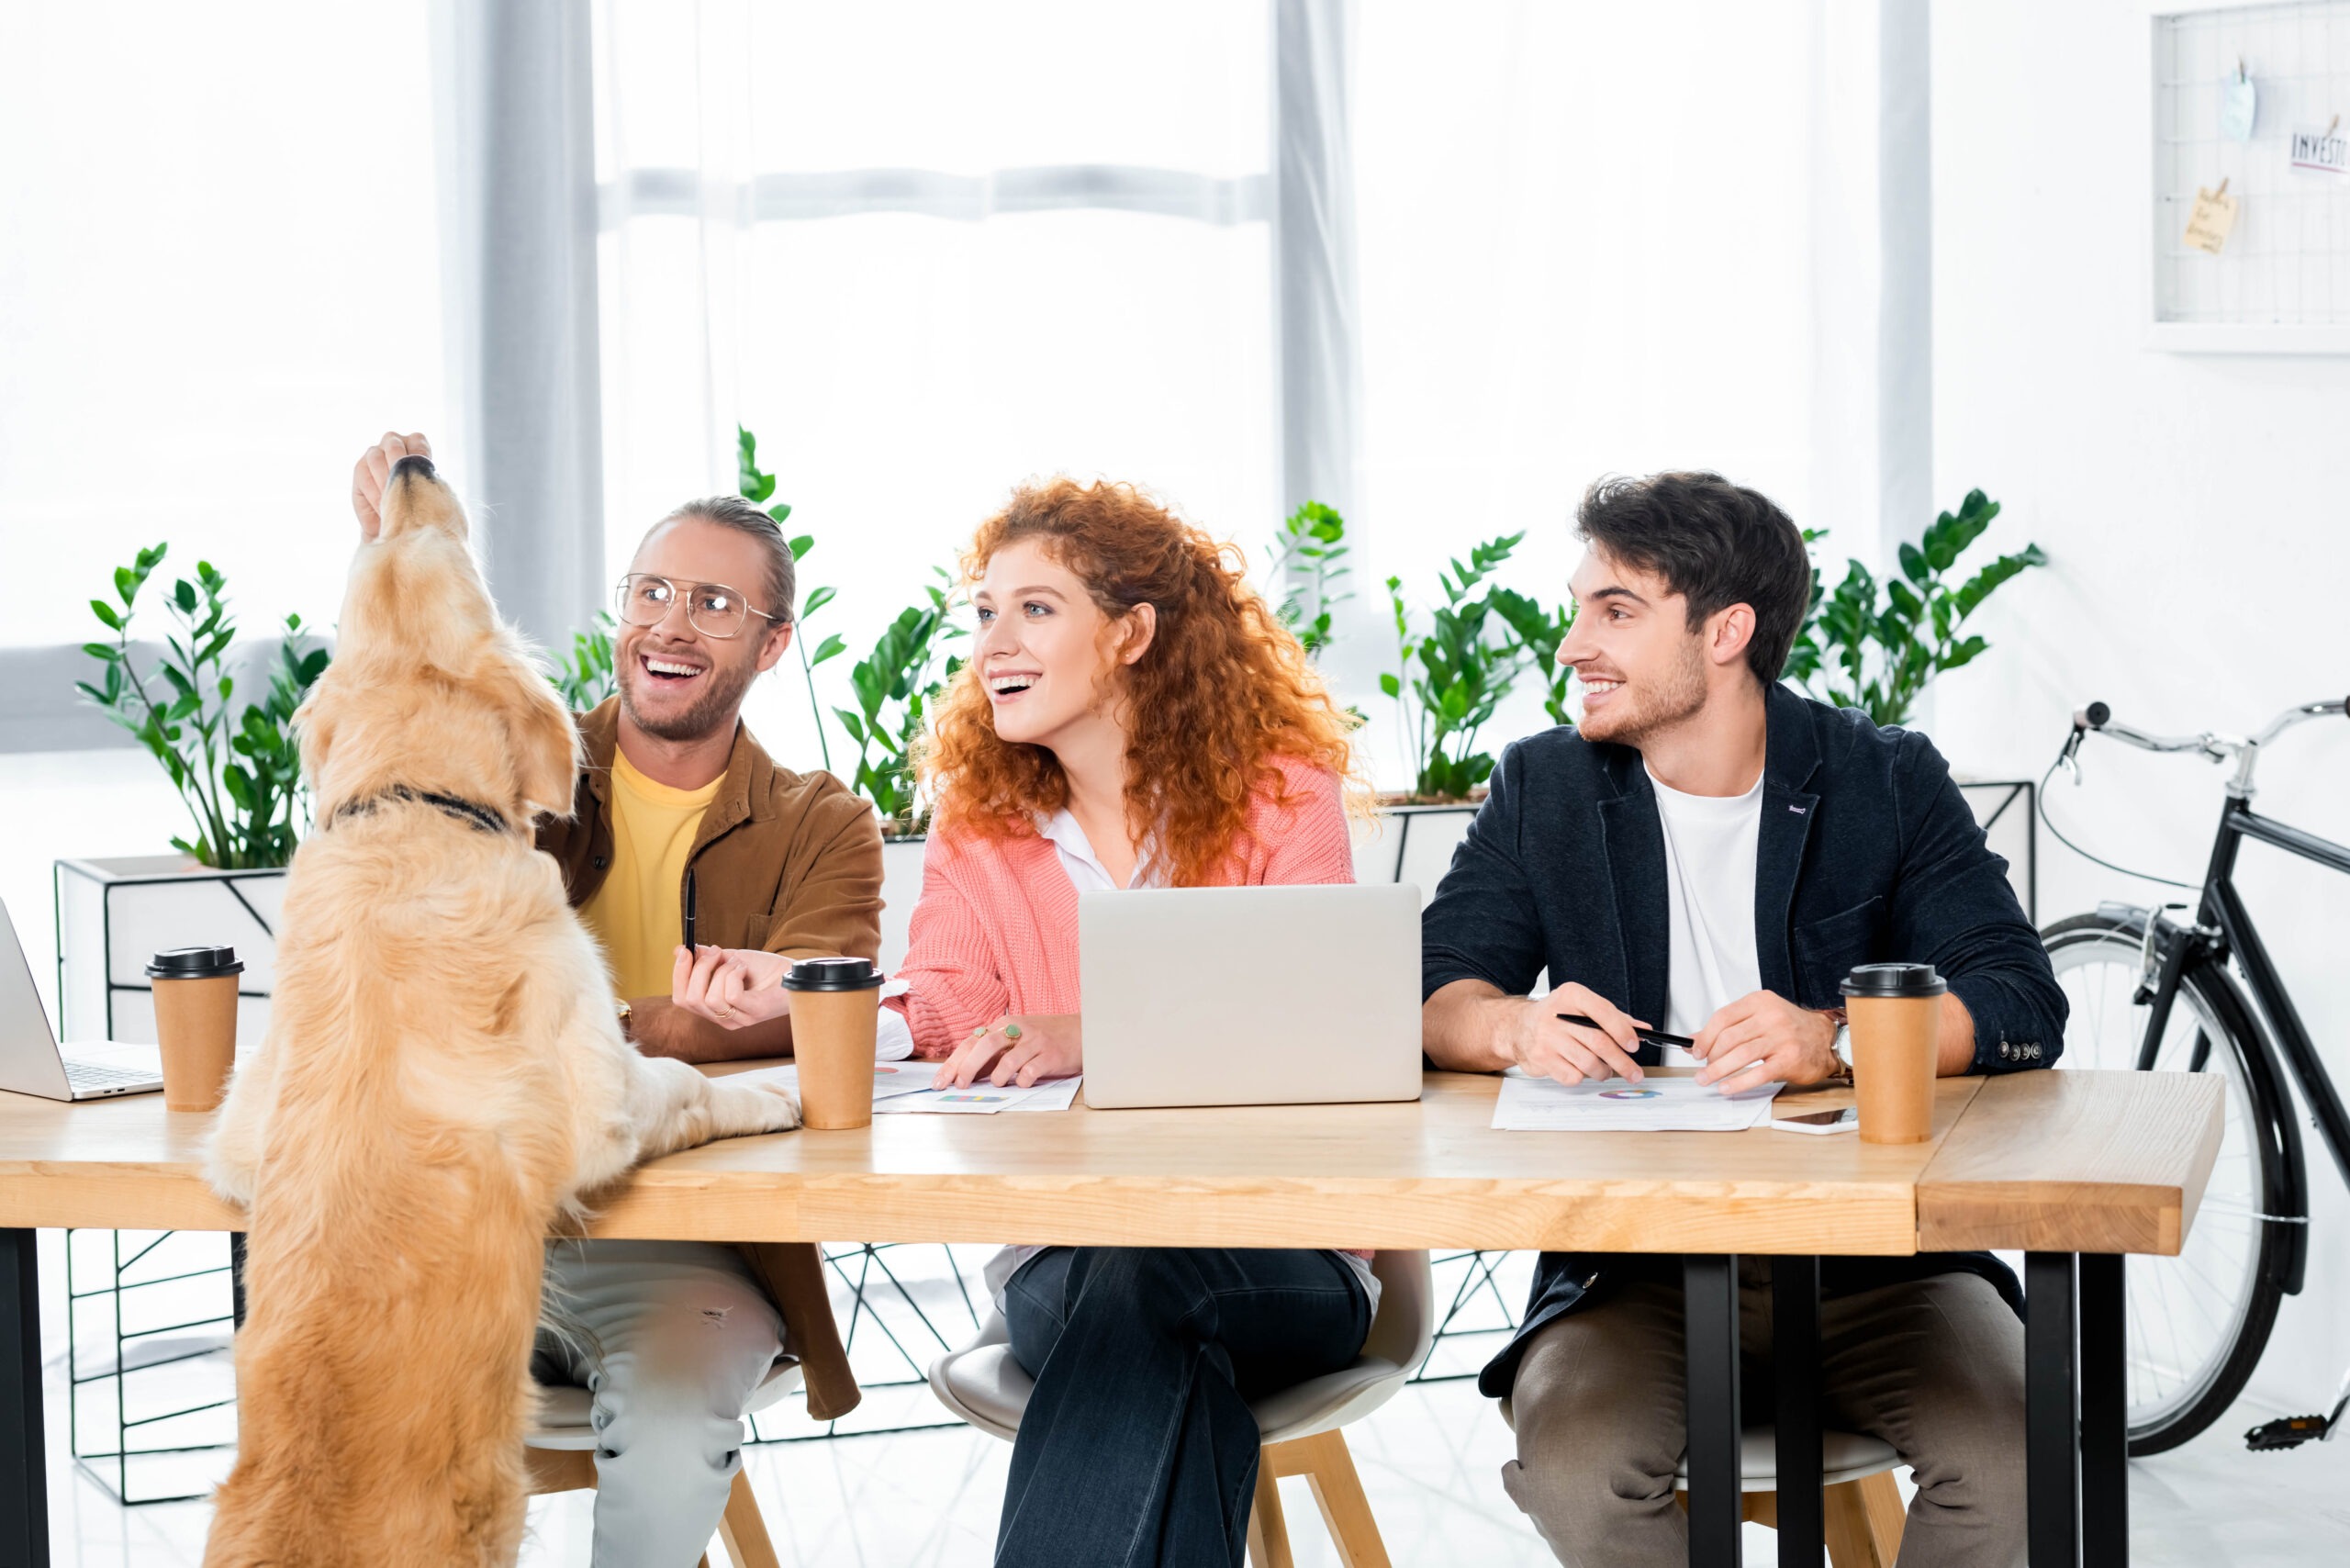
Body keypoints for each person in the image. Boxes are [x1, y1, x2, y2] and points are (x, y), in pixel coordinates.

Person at [674, 477, 1373, 1568]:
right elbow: (950, 998)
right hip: (1065, 1261)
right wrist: (816, 990)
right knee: (1157, 1339)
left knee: (1152, 1278)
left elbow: (1326, 1018)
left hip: (1288, 1251)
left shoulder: (1282, 795)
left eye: (1035, 609)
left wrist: (1092, 1030)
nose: (994, 641)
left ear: (1134, 632)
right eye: (985, 612)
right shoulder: (983, 820)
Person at [1419, 472, 2066, 1568]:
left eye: (1614, 611)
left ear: (1726, 630)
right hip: (1635, 1270)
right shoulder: (1545, 789)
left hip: (1879, 1267)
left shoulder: (1882, 777)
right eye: (1577, 609)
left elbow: (2018, 998)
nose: (1571, 645)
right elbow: (1433, 989)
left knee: (2016, 1456)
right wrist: (1512, 1029)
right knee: (1578, 1468)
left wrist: (1841, 1037)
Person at [350, 433, 877, 1567]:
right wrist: (390, 561)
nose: (670, 624)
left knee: (680, 1414)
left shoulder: (821, 824)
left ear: (773, 642)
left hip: (690, 1247)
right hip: (473, 1215)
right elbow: (397, 845)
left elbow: (825, 1009)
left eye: (715, 603)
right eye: (651, 591)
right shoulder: (513, 758)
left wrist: (659, 1025)